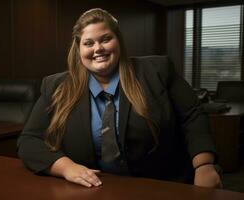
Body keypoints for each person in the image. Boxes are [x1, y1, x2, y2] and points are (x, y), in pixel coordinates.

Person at [17, 8, 222, 188]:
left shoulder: (157, 70)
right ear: (79, 49)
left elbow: (192, 116)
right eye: (89, 43)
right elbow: (29, 140)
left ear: (119, 41)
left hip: (162, 185)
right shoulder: (56, 86)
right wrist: (66, 167)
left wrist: (204, 165)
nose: (98, 48)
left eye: (106, 39)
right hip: (95, 189)